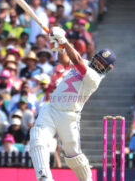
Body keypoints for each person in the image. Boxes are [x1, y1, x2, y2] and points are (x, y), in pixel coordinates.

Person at [29, 26, 116, 181]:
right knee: (37, 137)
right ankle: (44, 177)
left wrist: (64, 41)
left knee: (73, 154)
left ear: (107, 68)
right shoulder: (88, 63)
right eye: (97, 59)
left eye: (102, 63)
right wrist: (60, 48)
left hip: (68, 116)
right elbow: (65, 61)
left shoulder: (94, 78)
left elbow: (76, 60)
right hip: (51, 108)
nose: (97, 63)